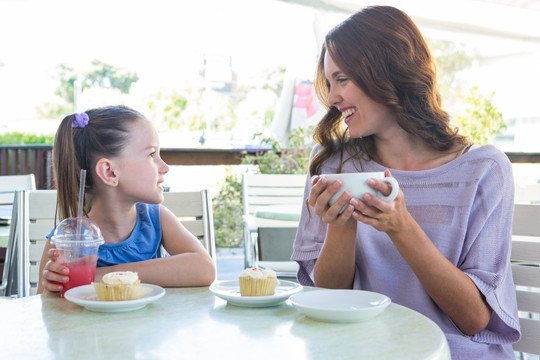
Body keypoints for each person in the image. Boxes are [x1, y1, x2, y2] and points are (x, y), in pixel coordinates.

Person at [291, 6, 520, 359]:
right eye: (329, 82)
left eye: (343, 79)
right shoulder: (334, 164)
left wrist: (402, 227)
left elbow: (474, 319)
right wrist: (340, 227)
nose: (332, 98)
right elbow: (330, 296)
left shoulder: (483, 170)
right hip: (363, 350)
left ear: (387, 71)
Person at [38, 105, 216, 294]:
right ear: (110, 172)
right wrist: (55, 287)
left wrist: (99, 276)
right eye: (151, 155)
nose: (164, 167)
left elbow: (204, 268)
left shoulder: (156, 218)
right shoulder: (69, 239)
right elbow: (46, 312)